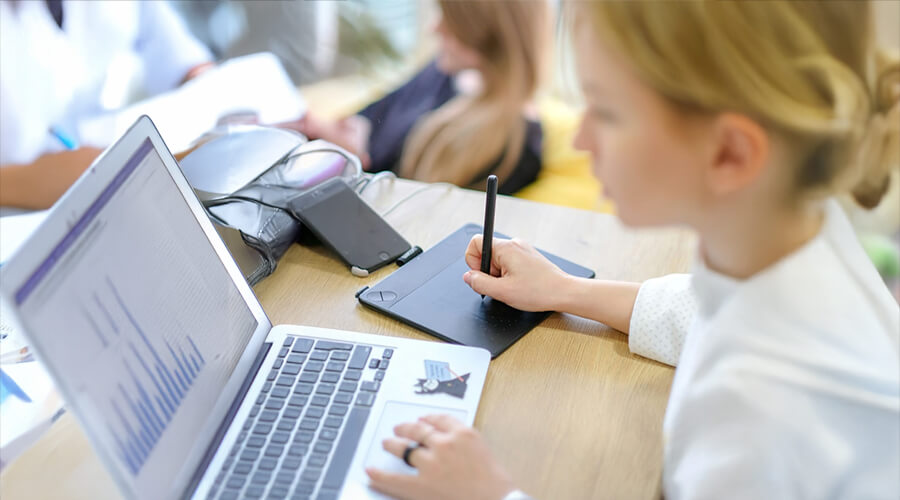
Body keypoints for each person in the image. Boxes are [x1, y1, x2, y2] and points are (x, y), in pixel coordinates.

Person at [365, 1, 900, 499]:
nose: (580, 140)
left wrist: (492, 494)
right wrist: (567, 290)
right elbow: (702, 310)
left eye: (607, 111)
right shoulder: (797, 229)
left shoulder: (758, 418)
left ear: (731, 153)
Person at [291, 0, 549, 195]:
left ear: (486, 34)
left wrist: (358, 159)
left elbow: (415, 213)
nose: (433, 28)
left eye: (450, 21)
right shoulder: (443, 73)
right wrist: (331, 133)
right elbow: (370, 116)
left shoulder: (515, 145)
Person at [0, 0, 213, 210]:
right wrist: (26, 181)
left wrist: (213, 93)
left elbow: (184, 62)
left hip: (119, 172)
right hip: (26, 211)